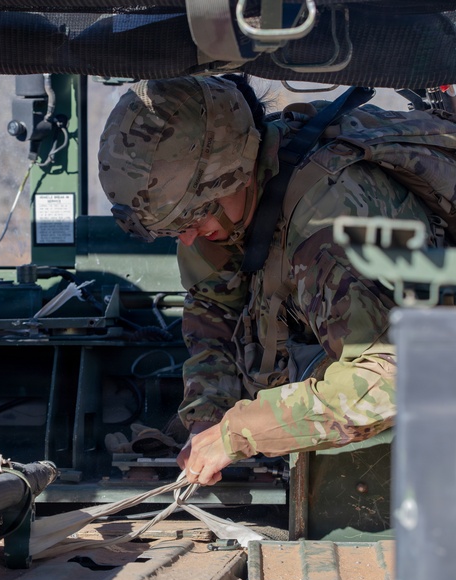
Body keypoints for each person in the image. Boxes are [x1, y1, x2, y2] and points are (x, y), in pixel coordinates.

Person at [97, 75, 436, 486]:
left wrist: (242, 431)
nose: (187, 237)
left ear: (235, 175)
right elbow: (213, 309)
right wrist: (207, 418)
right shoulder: (224, 206)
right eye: (174, 229)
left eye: (194, 219)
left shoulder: (332, 222)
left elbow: (404, 375)